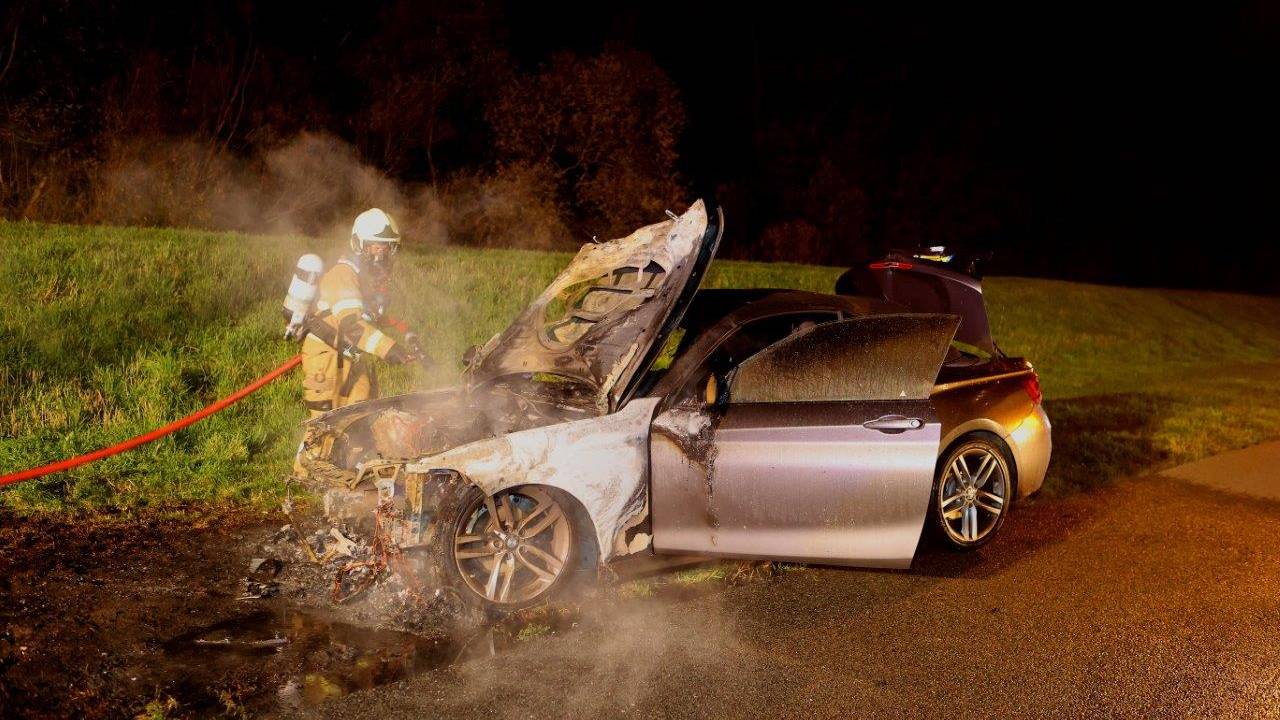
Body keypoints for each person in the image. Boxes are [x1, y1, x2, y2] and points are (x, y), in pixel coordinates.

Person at [300, 208, 424, 418]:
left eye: (387, 248)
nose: (381, 255)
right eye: (376, 247)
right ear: (359, 245)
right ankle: (311, 452)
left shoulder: (363, 278)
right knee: (324, 424)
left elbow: (370, 318)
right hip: (324, 360)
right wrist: (390, 348)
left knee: (362, 416)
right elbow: (353, 327)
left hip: (352, 355)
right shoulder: (342, 275)